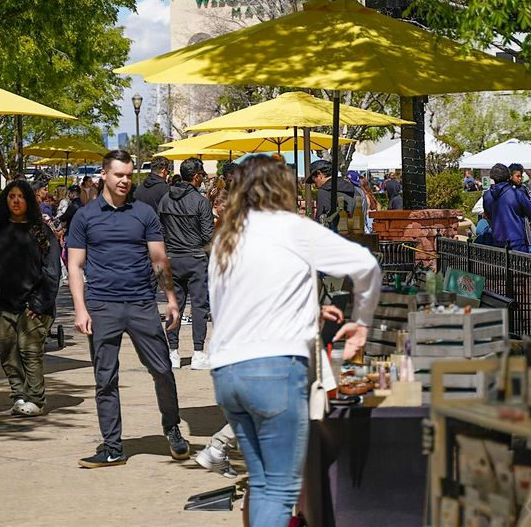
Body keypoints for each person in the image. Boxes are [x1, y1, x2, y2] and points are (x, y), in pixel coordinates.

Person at [208, 155, 381, 527]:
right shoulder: (292, 228)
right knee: (279, 489)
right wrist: (362, 325)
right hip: (274, 369)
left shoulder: (227, 238)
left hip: (226, 371)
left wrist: (307, 312)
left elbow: (232, 304)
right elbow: (366, 265)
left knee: (263, 483)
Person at [67, 148, 188, 469]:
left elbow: (159, 260)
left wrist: (172, 299)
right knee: (105, 378)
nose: (124, 180)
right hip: (102, 305)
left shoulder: (144, 213)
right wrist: (80, 309)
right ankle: (112, 446)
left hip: (141, 304)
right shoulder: (85, 216)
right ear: (104, 175)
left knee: (162, 369)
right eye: (119, 174)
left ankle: (172, 428)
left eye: (129, 175)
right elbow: (75, 266)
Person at [0, 180, 61, 417]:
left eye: (20, 196)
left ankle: (36, 399)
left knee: (30, 350)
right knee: (7, 352)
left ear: (28, 200)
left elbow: (52, 270)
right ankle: (19, 396)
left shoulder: (42, 231)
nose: (16, 201)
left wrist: (40, 302)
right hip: (1, 304)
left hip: (34, 305)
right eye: (11, 196)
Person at [158, 157, 214, 370]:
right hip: (196, 258)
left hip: (172, 258)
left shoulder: (165, 199)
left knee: (174, 306)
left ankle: (173, 352)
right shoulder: (201, 202)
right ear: (196, 176)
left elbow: (160, 231)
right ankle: (198, 353)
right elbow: (208, 234)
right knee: (199, 307)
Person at [484, 164, 531, 252]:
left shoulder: (487, 196)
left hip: (497, 240)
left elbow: (489, 216)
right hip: (517, 241)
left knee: (501, 266)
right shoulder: (517, 194)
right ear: (508, 176)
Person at [309, 160, 363, 235]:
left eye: (313, 179)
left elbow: (322, 221)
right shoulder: (354, 190)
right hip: (354, 238)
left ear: (319, 174)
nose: (314, 183)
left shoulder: (324, 191)